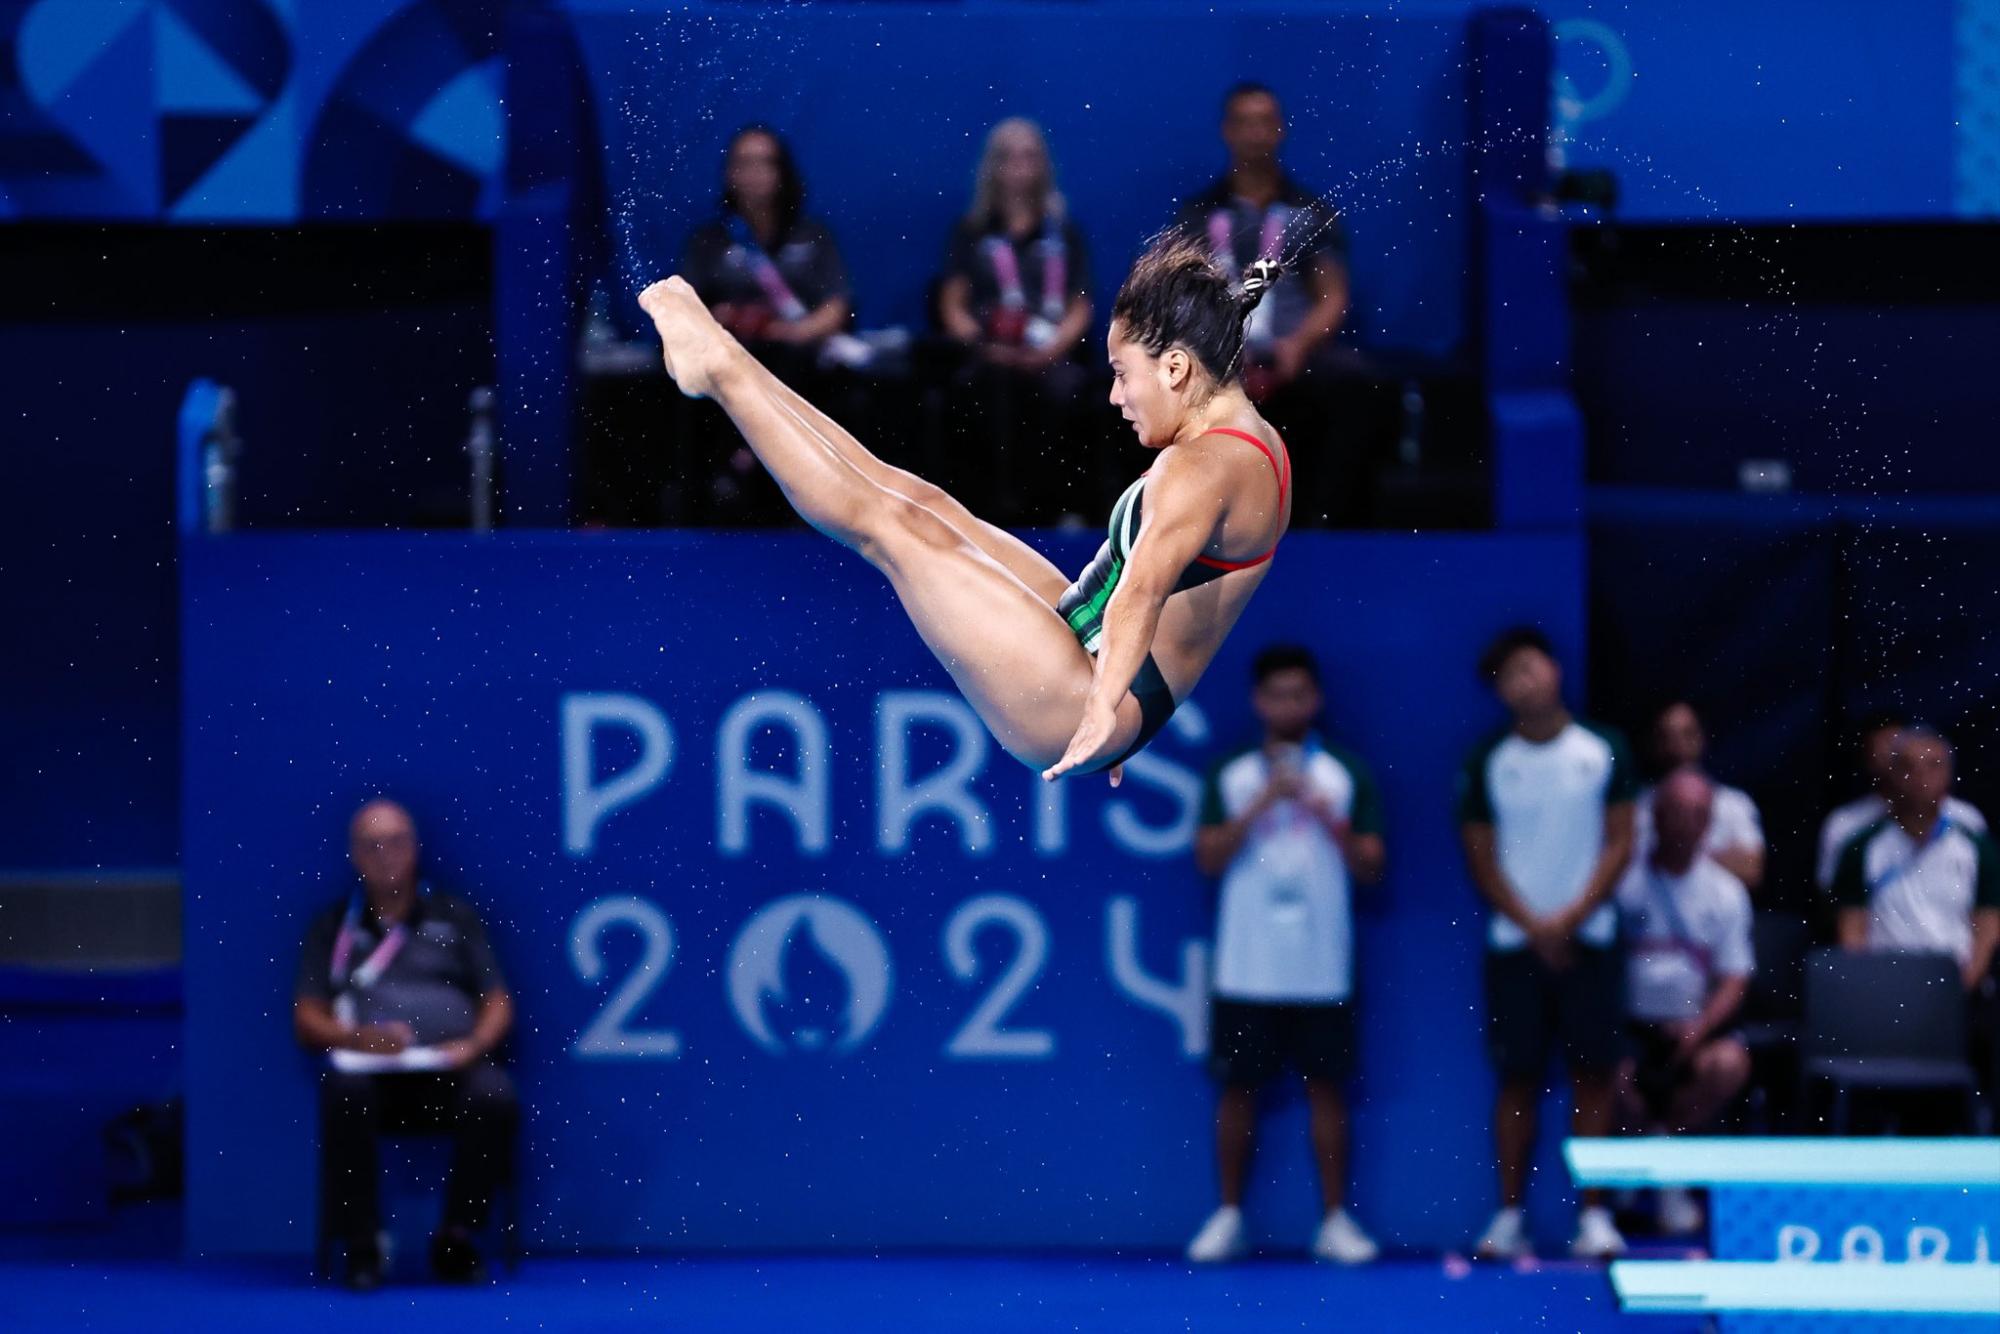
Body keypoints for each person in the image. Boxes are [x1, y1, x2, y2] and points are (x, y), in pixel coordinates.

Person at [636, 232, 1291, 783]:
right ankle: (728, 357)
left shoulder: (1200, 467)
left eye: (1123, 374)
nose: (1116, 397)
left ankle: (720, 369)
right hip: (1093, 653)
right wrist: (1122, 698)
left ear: (1175, 368)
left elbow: (1143, 591)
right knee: (919, 503)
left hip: (1077, 696)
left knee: (887, 529)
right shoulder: (1251, 439)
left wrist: (1103, 709)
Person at [1185, 646, 1385, 1265]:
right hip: (1247, 965)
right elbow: (1207, 858)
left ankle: (1335, 1221)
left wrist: (1326, 814)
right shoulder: (1233, 774)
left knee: (1327, 1090)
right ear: (1259, 701)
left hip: (1321, 965)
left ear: (1315, 700)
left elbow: (1372, 866)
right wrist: (1262, 802)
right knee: (1236, 1091)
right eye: (1277, 694)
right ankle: (1228, 1217)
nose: (1289, 705)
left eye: (1299, 694)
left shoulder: (1345, 774)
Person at [1456, 626, 1637, 1261]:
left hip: (1591, 941)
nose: (1524, 682)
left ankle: (1595, 1218)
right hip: (1516, 945)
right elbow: (1480, 856)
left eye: (1532, 667)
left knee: (1595, 1078)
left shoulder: (1603, 749)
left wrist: (1571, 918)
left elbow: (1620, 840)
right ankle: (1509, 1216)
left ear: (1556, 670)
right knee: (1517, 1079)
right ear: (1500, 692)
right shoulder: (1488, 760)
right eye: (1511, 675)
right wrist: (1536, 927)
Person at [295, 799, 518, 1290]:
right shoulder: (334, 925)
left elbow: (498, 1000)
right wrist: (357, 1039)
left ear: (415, 848)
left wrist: (474, 1044)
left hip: (449, 1074)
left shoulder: (456, 916)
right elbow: (307, 1017)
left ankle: (457, 1239)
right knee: (343, 1092)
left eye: (396, 842)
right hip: (371, 1080)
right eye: (372, 845)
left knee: (495, 1093)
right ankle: (363, 1246)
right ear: (355, 855)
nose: (386, 855)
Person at [1174, 83, 1373, 524]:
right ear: (1227, 131)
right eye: (1244, 123)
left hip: (1293, 351)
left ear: (1281, 130)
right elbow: (1183, 298)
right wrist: (1220, 351)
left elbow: (1332, 295)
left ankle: (1328, 523)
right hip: (1220, 356)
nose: (1255, 134)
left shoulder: (1310, 211)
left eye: (1264, 122)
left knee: (1353, 381)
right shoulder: (1199, 214)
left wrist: (1298, 344)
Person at [679, 125, 855, 522]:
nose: (753, 173)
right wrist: (729, 320)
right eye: (743, 163)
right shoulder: (710, 241)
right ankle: (734, 469)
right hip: (731, 356)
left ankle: (759, 464)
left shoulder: (812, 236)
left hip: (795, 359)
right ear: (729, 173)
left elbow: (837, 305)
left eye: (763, 163)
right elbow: (688, 308)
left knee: (792, 363)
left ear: (782, 172)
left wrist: (792, 331)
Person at [936, 119, 1096, 521]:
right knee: (985, 392)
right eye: (1008, 157)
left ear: (1044, 165)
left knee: (1068, 394)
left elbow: (1080, 306)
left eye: (1029, 156)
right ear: (992, 166)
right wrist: (986, 345)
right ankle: (991, 511)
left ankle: (1057, 510)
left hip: (1051, 353)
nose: (1019, 167)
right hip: (989, 353)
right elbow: (952, 304)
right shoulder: (971, 231)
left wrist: (1051, 350)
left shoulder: (1064, 232)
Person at [1616, 767, 1754, 1236]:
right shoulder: (1622, 881)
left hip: (1692, 1027)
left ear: (1709, 823)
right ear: (1654, 816)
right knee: (1599, 1067)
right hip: (1629, 1027)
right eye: (1674, 811)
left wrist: (1700, 1027)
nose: (1684, 823)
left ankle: (1661, 1170)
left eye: (1697, 814)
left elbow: (1735, 978)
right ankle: (1645, 1174)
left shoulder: (1725, 891)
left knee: (1728, 1064)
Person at [1817, 712, 1987, 893]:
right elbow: (1832, 894)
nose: (1890, 755)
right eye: (1884, 749)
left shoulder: (1966, 818)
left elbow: (1987, 893)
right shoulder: (1845, 823)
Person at [1633, 701, 1765, 892]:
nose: (1676, 746)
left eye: (1687, 734)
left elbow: (1751, 869)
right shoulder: (1637, 804)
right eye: (1665, 737)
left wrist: (1681, 854)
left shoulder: (1734, 804)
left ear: (1701, 739)